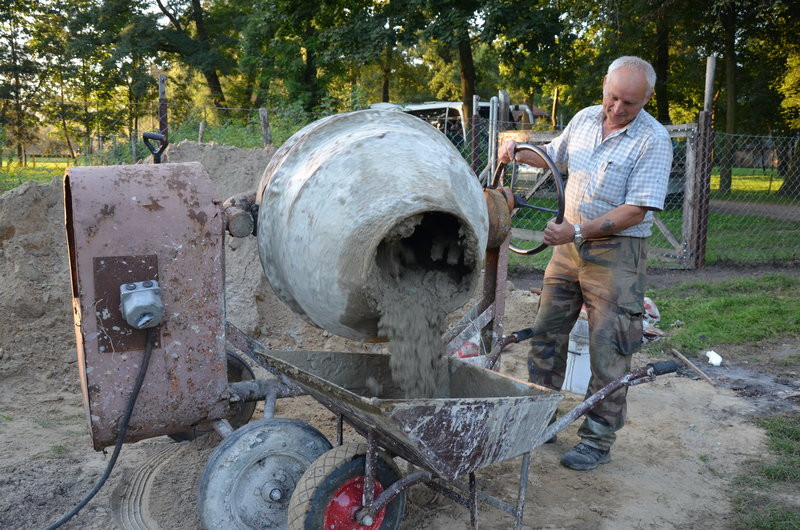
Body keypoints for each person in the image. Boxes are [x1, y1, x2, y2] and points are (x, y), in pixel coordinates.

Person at [498, 56, 673, 471]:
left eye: (630, 103)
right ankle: (539, 418)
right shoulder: (583, 119)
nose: (617, 108)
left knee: (608, 349)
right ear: (604, 87)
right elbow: (555, 158)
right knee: (545, 335)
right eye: (613, 97)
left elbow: (637, 210)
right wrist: (519, 152)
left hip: (617, 256)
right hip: (567, 252)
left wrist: (575, 231)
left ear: (647, 99)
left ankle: (597, 440)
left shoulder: (653, 139)